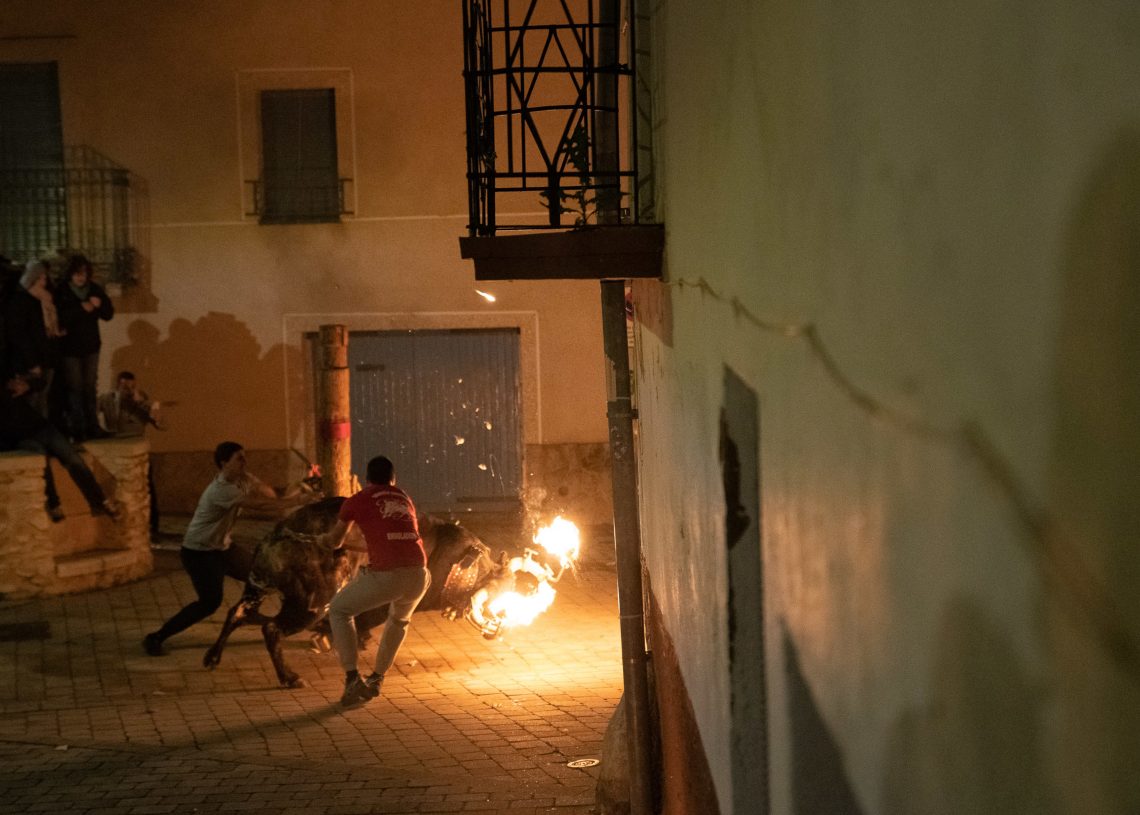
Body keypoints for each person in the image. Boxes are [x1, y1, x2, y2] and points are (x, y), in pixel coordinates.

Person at [143, 441, 318, 656]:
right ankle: (156, 637)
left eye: (244, 457)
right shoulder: (221, 490)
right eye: (239, 459)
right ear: (224, 463)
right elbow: (262, 506)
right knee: (209, 603)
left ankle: (252, 612)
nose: (245, 462)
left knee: (262, 574)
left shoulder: (243, 479)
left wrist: (300, 486)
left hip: (223, 549)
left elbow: (272, 495)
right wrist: (298, 499)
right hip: (199, 554)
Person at [321, 455, 430, 708]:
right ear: (393, 479)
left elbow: (335, 541)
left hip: (387, 576)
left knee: (339, 610)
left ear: (367, 479)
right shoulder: (403, 498)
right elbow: (387, 538)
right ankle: (377, 678)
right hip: (419, 574)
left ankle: (352, 679)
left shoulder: (356, 500)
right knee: (399, 621)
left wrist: (323, 541)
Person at [0, 371, 121, 523]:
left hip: (38, 426)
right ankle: (54, 504)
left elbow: (39, 382)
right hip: (18, 437)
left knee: (73, 458)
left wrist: (27, 385)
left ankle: (100, 501)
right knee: (41, 460)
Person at [55, 254, 113, 441]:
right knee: (75, 388)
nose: (81, 277)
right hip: (70, 348)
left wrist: (100, 305)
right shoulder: (62, 291)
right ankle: (78, 428)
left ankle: (93, 426)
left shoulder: (94, 289)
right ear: (70, 274)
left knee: (89, 387)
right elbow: (60, 318)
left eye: (84, 273)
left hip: (91, 346)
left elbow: (108, 314)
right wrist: (82, 308)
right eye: (77, 273)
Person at [99, 371, 164, 537]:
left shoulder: (141, 404)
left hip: (137, 453)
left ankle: (153, 527)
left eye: (131, 387)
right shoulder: (107, 400)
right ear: (117, 386)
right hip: (114, 451)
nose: (128, 391)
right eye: (124, 387)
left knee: (146, 488)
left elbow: (162, 425)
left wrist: (144, 404)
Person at [3, 260, 64, 418]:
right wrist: (33, 363)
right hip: (29, 363)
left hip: (45, 358)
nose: (45, 282)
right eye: (41, 278)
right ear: (32, 279)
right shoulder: (20, 302)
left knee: (42, 400)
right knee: (32, 403)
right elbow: (20, 335)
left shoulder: (41, 300)